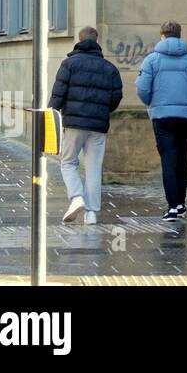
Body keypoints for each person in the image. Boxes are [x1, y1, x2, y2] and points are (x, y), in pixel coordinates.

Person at [136, 21, 187, 221]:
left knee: (168, 161)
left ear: (162, 35)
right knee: (181, 160)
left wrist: (152, 103)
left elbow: (142, 88)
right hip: (186, 117)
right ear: (179, 35)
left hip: (162, 117)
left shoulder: (151, 60)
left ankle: (171, 208)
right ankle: (180, 204)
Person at [49, 26, 123, 225]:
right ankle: (91, 213)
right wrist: (102, 111)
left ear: (78, 41)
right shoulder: (109, 68)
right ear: (96, 41)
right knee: (93, 168)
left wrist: (51, 113)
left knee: (68, 162)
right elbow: (116, 98)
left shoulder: (69, 64)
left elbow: (58, 94)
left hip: (73, 123)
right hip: (98, 125)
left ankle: (76, 197)